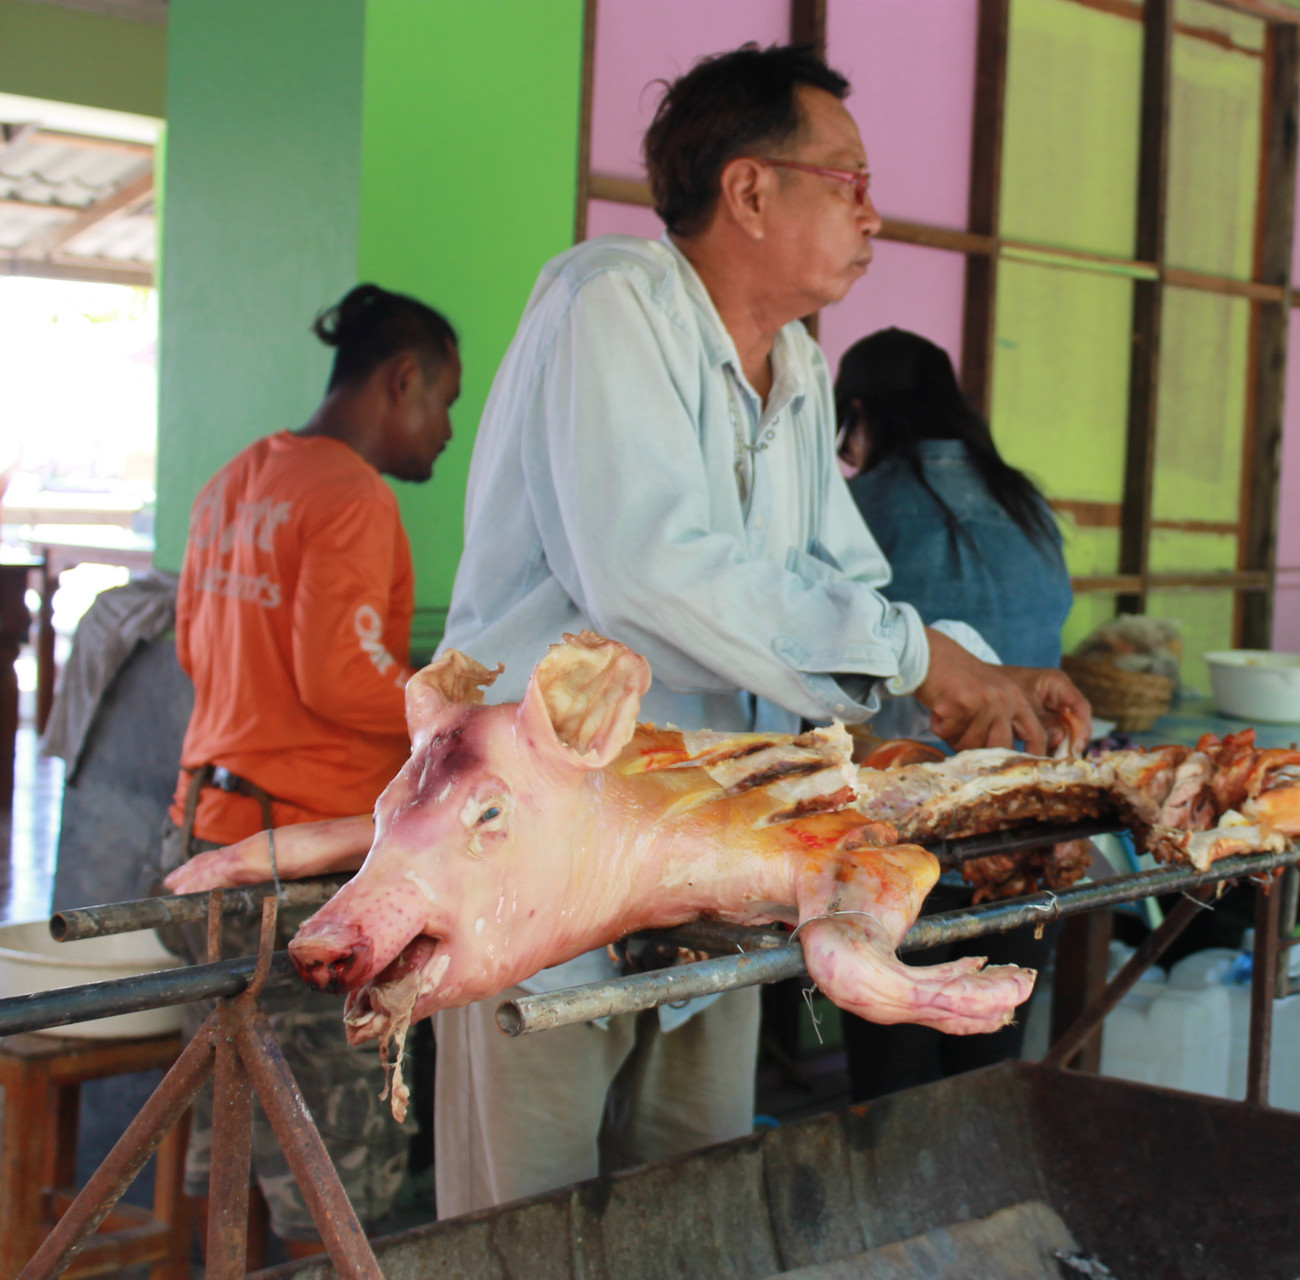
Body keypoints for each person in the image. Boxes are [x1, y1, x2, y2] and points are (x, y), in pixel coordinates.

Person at [430, 44, 1089, 1217]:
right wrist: (918, 656)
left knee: (697, 1203)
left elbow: (844, 581)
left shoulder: (797, 370)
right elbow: (649, 572)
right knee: (522, 1220)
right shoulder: (609, 301)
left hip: (719, 846)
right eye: (849, 180)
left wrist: (981, 677)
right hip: (546, 846)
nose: (873, 215)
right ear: (748, 189)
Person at [164, 283, 460, 1260]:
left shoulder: (236, 479)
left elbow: (194, 648)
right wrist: (447, 706)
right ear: (402, 379)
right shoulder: (353, 494)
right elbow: (339, 677)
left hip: (202, 839)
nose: (447, 430)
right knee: (329, 1176)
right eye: (445, 401)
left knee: (233, 1138)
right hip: (299, 869)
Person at [833, 326, 1074, 1098]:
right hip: (1030, 827)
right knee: (988, 1064)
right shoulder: (1025, 501)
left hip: (908, 833)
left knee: (894, 1077)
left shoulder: (858, 509)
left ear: (859, 412)